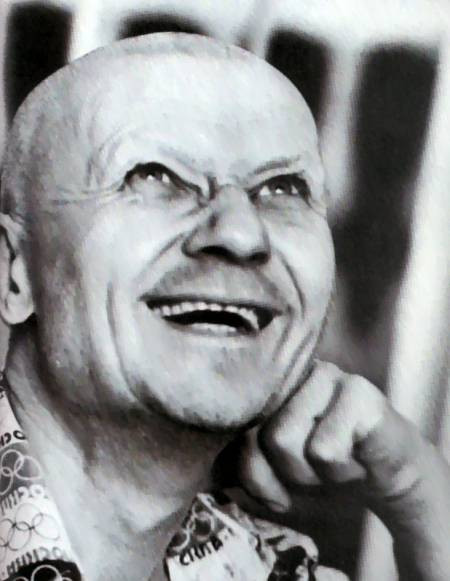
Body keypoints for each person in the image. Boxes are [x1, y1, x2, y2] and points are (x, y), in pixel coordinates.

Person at [0, 32, 448, 581]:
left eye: (283, 189)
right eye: (156, 176)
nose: (241, 233)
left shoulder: (271, 568)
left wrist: (416, 491)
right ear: (14, 270)